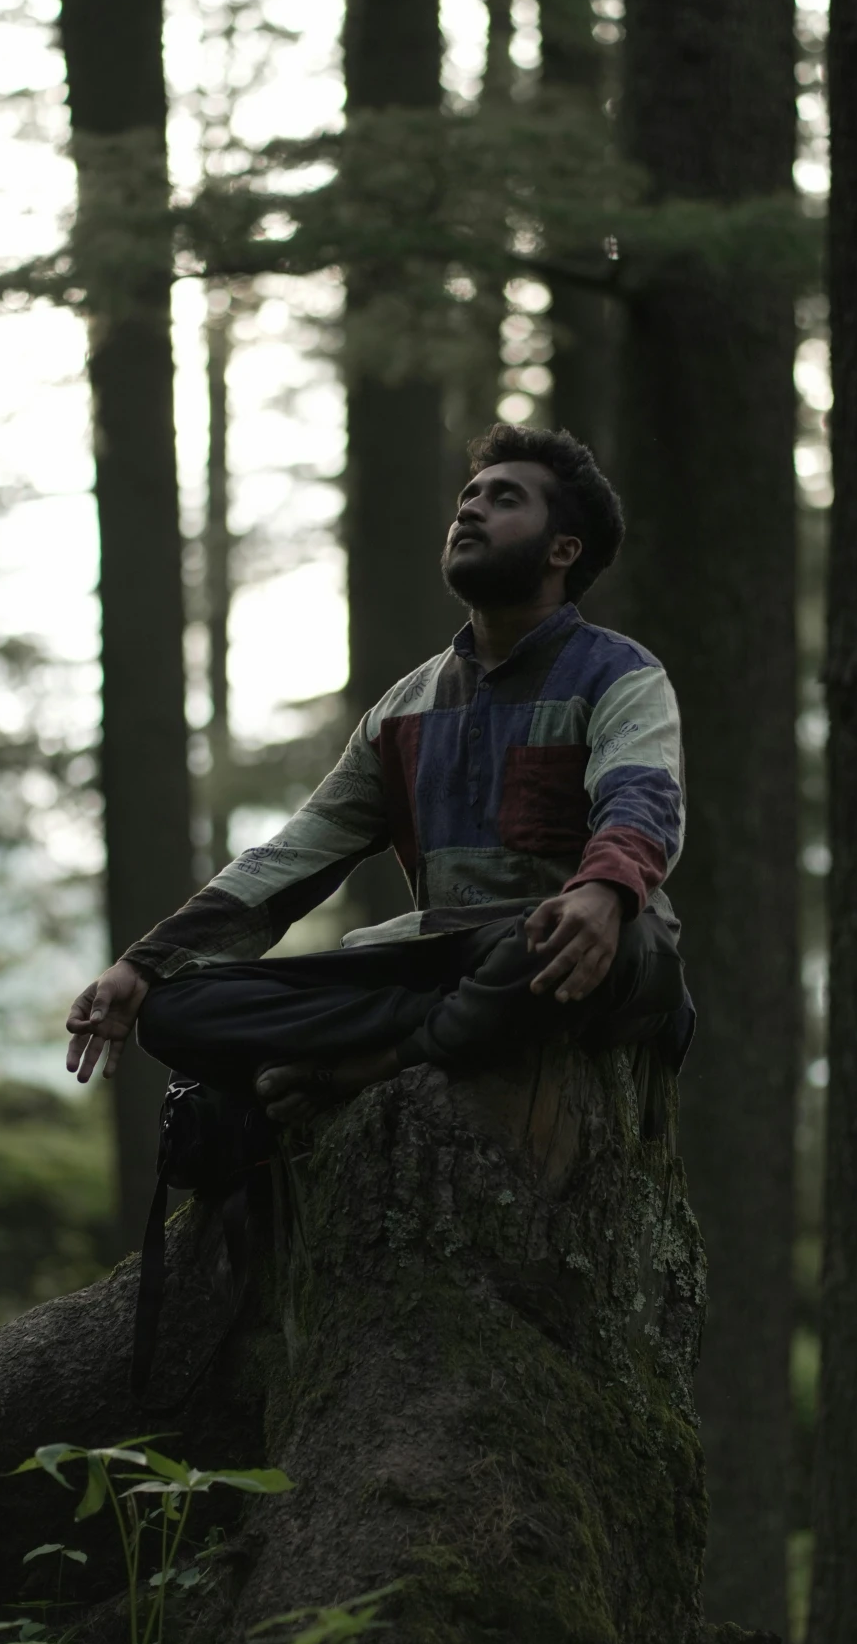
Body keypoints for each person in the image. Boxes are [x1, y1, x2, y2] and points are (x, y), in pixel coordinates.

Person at [65, 423, 691, 1125]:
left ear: (561, 549)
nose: (471, 510)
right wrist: (144, 965)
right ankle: (444, 1033)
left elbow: (640, 800)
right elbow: (293, 856)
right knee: (177, 1009)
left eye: (504, 498)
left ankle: (369, 1067)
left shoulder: (620, 674)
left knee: (582, 946)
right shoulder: (403, 708)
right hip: (442, 959)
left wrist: (604, 894)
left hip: (574, 947)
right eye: (468, 497)